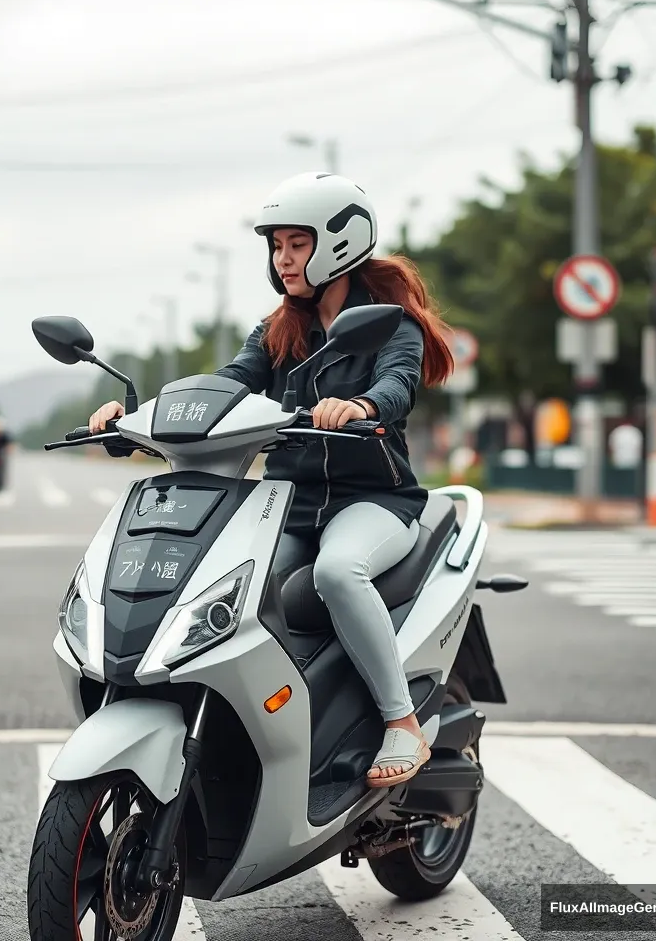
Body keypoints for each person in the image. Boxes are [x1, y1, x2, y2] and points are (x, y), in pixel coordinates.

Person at [88, 171, 454, 787]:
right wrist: (136, 420)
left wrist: (362, 407)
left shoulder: (392, 324)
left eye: (297, 244)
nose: (283, 259)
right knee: (220, 583)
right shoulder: (279, 327)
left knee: (338, 571)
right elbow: (227, 384)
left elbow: (396, 385)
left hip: (374, 499)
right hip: (289, 501)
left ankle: (401, 721)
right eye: (277, 245)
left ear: (338, 242)